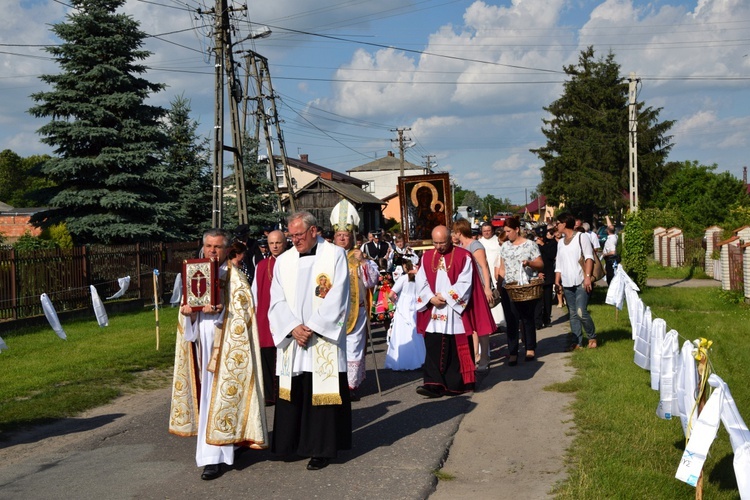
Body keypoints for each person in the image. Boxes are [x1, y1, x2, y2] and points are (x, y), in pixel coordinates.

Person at [169, 228, 268, 480]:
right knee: (205, 396)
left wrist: (223, 311)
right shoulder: (194, 271)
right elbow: (186, 312)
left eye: (217, 247)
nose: (212, 251)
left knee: (220, 398)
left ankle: (213, 457)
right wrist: (189, 314)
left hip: (225, 350)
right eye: (208, 246)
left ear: (227, 250)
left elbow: (244, 317)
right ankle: (221, 449)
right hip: (200, 345)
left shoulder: (237, 280)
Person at [268, 211, 352, 471]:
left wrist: (313, 327)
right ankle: (289, 444)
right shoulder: (283, 261)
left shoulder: (335, 255)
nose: (294, 240)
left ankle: (320, 449)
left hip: (320, 337)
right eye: (291, 236)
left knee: (321, 392)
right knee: (295, 387)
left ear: (313, 231)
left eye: (298, 235)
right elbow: (276, 299)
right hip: (294, 337)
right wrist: (293, 327)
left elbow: (338, 296)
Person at [414, 225, 494, 398]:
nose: (438, 247)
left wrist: (446, 296)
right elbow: (421, 281)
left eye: (442, 242)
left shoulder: (463, 256)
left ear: (450, 239)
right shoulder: (427, 257)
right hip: (435, 309)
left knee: (455, 348)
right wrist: (430, 298)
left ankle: (455, 385)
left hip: (455, 309)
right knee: (433, 345)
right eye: (435, 243)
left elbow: (465, 283)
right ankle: (433, 384)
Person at [330, 200, 379, 401]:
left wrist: (363, 262)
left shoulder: (358, 255)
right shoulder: (328, 256)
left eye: (346, 235)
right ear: (334, 236)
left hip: (356, 311)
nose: (342, 238)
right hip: (333, 312)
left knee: (353, 347)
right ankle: (334, 383)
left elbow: (372, 280)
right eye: (339, 235)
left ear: (352, 237)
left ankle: (350, 385)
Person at [497, 217, 544, 364]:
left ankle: (530, 348)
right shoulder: (504, 246)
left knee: (527, 318)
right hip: (509, 287)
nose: (507, 234)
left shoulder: (530, 245)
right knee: (511, 320)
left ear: (517, 229)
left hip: (525, 286)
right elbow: (502, 267)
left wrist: (529, 263)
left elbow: (540, 263)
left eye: (509, 231)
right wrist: (499, 284)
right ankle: (513, 352)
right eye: (505, 231)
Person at [452, 219, 494, 372]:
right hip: (467, 290)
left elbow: (484, 267)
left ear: (459, 232)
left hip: (479, 288)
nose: (453, 235)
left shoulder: (475, 245)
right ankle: (475, 355)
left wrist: (487, 288)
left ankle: (484, 357)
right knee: (472, 327)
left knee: (481, 325)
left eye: (454, 231)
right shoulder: (461, 247)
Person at [251, 229, 287, 406]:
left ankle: (284, 392)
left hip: (287, 317)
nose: (274, 246)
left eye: (278, 243)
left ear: (284, 243)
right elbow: (254, 295)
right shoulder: (261, 266)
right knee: (267, 356)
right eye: (271, 243)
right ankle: (269, 395)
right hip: (265, 317)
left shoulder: (292, 263)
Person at [554, 213, 597, 350]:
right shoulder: (560, 242)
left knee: (580, 311)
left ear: (565, 223)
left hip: (581, 281)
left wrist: (588, 277)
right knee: (572, 313)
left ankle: (592, 336)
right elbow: (559, 264)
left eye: (558, 223)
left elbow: (589, 257)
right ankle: (577, 342)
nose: (557, 225)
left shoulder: (581, 237)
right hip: (567, 283)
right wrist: (557, 282)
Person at [385, 260, 426, 370]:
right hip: (415, 304)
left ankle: (401, 359)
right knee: (415, 331)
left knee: (401, 331)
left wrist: (394, 301)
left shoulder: (403, 278)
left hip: (403, 304)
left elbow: (391, 294)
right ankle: (420, 357)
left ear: (405, 266)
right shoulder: (419, 278)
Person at [478, 222, 505, 331]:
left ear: (492, 230)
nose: (486, 233)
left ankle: (502, 321)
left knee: (499, 297)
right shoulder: (479, 243)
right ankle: (492, 323)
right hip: (485, 273)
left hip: (498, 271)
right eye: (484, 231)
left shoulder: (497, 241)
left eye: (488, 230)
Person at [535, 226, 558, 329]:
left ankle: (547, 319)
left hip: (548, 274)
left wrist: (543, 245)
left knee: (547, 299)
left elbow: (551, 255)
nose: (541, 238)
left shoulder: (552, 243)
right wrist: (537, 272)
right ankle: (538, 321)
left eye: (542, 235)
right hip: (537, 274)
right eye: (539, 236)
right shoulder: (532, 244)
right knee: (538, 300)